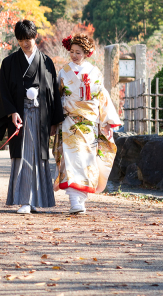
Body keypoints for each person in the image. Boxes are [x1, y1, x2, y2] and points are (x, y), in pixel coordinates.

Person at [0, 19, 64, 214]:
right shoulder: (8, 63)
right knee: (23, 155)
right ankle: (25, 200)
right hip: (20, 114)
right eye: (21, 39)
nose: (26, 43)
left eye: (29, 38)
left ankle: (37, 200)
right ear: (17, 40)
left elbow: (53, 94)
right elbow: (3, 91)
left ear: (36, 37)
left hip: (41, 116)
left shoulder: (47, 62)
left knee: (39, 157)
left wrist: (53, 122)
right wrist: (12, 112)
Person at [53, 33, 122, 214]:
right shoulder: (63, 71)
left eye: (78, 52)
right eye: (72, 51)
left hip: (89, 124)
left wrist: (107, 123)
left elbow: (103, 97)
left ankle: (81, 200)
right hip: (69, 122)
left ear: (86, 53)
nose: (74, 55)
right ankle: (75, 201)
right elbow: (55, 97)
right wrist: (54, 120)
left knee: (87, 161)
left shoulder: (94, 72)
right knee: (71, 160)